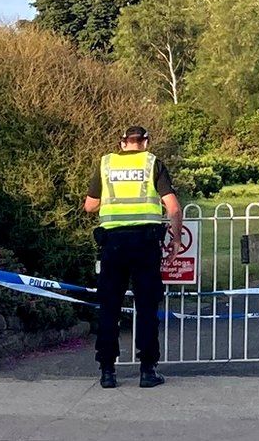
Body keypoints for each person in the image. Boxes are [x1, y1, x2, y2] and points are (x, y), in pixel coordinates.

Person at [84, 126, 182, 389]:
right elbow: (173, 206)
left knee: (109, 307)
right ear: (146, 142)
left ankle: (107, 372)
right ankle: (147, 371)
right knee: (147, 308)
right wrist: (175, 240)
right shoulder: (152, 163)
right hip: (145, 243)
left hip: (113, 245)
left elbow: (89, 205)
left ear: (122, 142)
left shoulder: (106, 164)